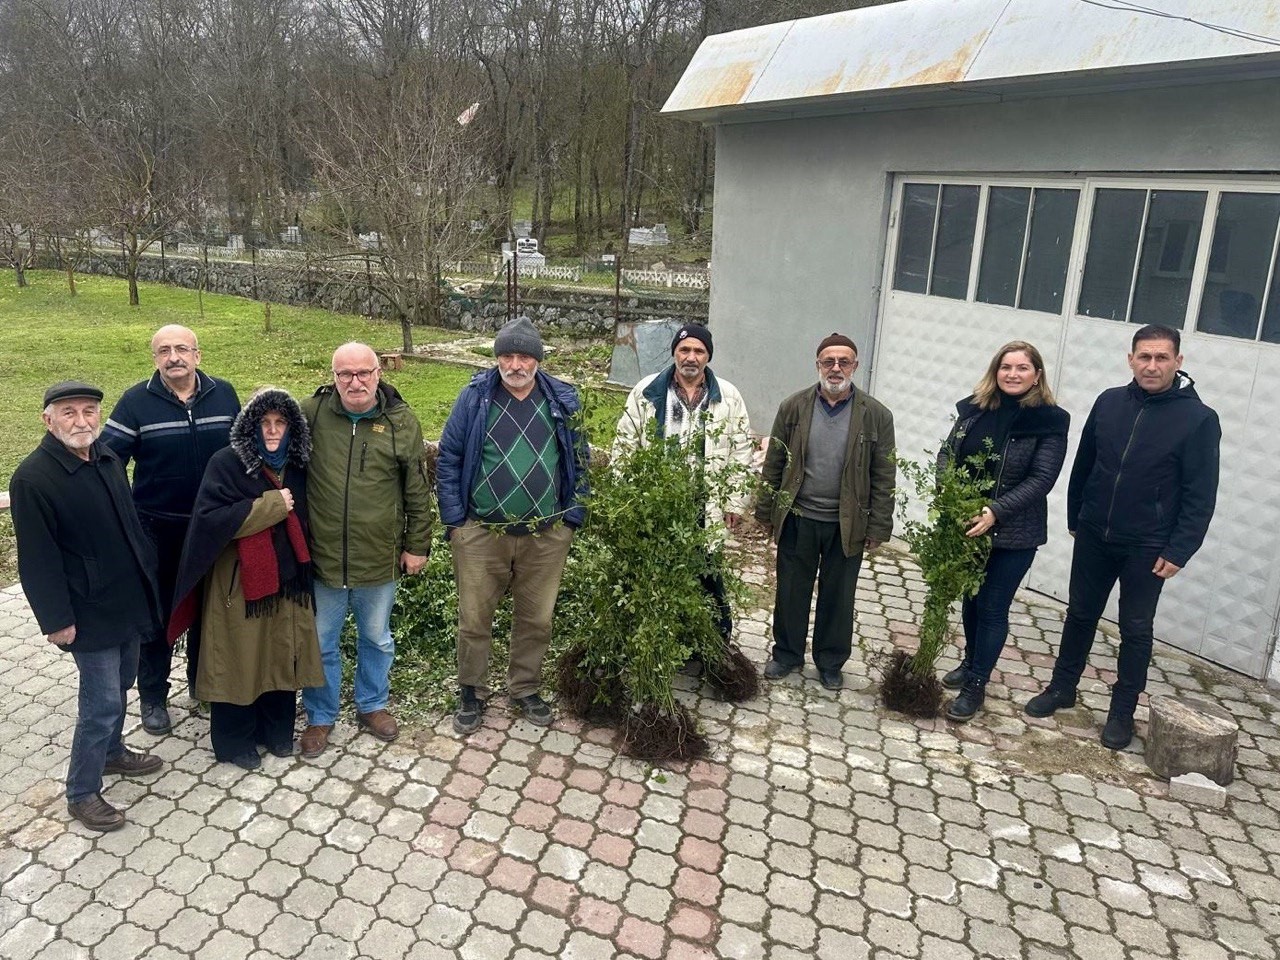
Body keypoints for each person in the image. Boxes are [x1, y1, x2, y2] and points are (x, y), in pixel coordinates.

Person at [1025, 325, 1220, 750]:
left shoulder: (1198, 420)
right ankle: (1062, 688)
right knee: (1079, 613)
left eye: (1162, 358)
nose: (1152, 365)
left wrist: (1180, 549)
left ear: (1178, 363)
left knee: (1135, 628)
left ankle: (1122, 712)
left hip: (1148, 545)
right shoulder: (1110, 402)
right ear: (1130, 359)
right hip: (1095, 532)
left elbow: (1200, 494)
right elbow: (1085, 463)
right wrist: (1076, 514)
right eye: (1144, 357)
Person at [9, 381, 165, 831]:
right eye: (69, 413)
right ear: (48, 420)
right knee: (98, 703)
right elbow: (36, 560)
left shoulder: (107, 457)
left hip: (127, 600)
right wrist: (56, 621)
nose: (82, 421)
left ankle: (113, 753)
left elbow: (130, 527)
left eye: (89, 411)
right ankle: (81, 791)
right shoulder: (33, 478)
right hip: (87, 611)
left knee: (122, 684)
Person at [437, 317, 589, 734]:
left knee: (536, 619)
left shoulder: (562, 400)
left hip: (546, 533)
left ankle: (524, 688)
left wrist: (572, 518)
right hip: (482, 533)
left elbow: (580, 460)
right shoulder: (474, 398)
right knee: (474, 619)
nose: (515, 364)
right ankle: (472, 691)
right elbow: (449, 458)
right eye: (507, 355)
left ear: (537, 360)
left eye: (524, 356)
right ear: (497, 357)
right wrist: (456, 523)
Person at [168, 389, 324, 769]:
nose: (272, 431)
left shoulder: (297, 465)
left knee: (279, 654)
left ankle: (275, 732)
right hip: (239, 585)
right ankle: (234, 742)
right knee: (240, 658)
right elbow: (210, 521)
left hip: (288, 582)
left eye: (279, 423)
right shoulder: (227, 463)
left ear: (291, 428)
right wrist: (272, 505)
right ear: (250, 428)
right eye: (263, 423)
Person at [103, 324, 240, 734]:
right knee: (157, 616)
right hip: (157, 529)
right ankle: (153, 697)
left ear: (198, 354)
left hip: (214, 526)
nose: (173, 357)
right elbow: (108, 460)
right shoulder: (135, 402)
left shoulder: (225, 393)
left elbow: (243, 448)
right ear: (155, 359)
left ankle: (205, 684)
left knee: (211, 609)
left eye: (182, 348)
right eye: (164, 350)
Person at [299, 343, 433, 757]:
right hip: (324, 559)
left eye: (363, 373)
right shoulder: (312, 414)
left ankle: (371, 704)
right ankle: (321, 715)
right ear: (333, 376)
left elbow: (417, 490)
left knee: (376, 638)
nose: (355, 382)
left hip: (379, 557)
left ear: (379, 373)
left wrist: (417, 545)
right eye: (345, 374)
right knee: (321, 642)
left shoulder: (400, 421)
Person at [936, 341, 1070, 722]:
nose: (1013, 374)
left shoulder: (1049, 420)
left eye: (1022, 368)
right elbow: (949, 452)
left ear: (1037, 375)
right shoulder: (976, 410)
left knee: (993, 606)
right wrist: (949, 491)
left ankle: (976, 685)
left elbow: (1041, 478)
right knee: (971, 600)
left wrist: (994, 511)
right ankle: (969, 661)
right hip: (966, 525)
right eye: (1006, 367)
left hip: (1014, 533)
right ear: (995, 371)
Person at [755, 333, 896, 691]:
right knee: (790, 591)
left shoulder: (876, 415)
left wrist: (878, 525)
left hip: (845, 525)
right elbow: (774, 463)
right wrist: (765, 512)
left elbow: (884, 473)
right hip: (799, 518)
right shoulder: (793, 407)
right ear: (817, 364)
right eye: (828, 361)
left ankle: (830, 661)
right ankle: (786, 654)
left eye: (843, 361)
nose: (836, 368)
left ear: (855, 366)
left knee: (839, 595)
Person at [613, 322, 754, 655]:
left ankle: (714, 646)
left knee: (708, 577)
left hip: (706, 506)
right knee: (656, 574)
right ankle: (658, 643)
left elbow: (741, 452)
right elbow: (625, 445)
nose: (691, 357)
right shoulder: (647, 392)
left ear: (708, 356)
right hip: (657, 505)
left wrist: (734, 501)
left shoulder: (728, 397)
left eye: (699, 351)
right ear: (675, 353)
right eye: (685, 350)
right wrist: (628, 498)